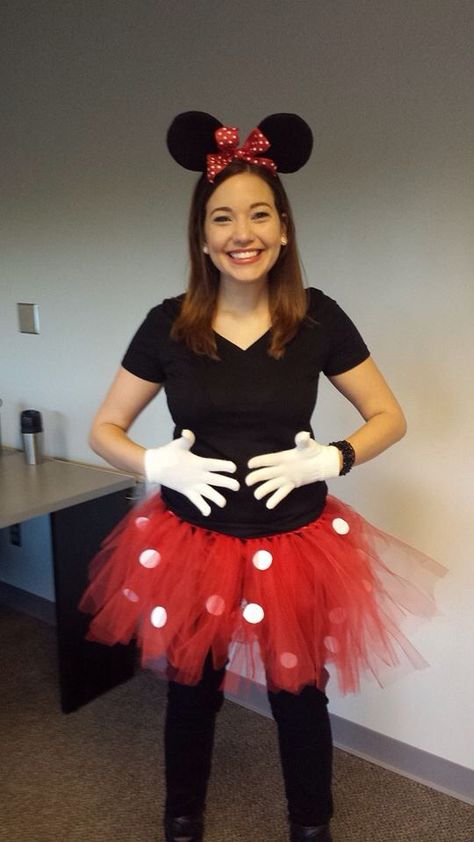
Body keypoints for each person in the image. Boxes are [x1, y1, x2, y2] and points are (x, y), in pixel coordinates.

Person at [80, 112, 445, 842]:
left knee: (299, 696)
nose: (241, 232)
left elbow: (388, 415)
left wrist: (333, 456)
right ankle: (182, 819)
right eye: (222, 217)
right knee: (191, 693)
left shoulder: (318, 319)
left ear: (283, 229)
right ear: (202, 234)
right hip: (193, 542)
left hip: (295, 543)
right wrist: (154, 463)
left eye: (258, 214)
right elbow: (104, 431)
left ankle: (311, 826)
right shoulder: (169, 324)